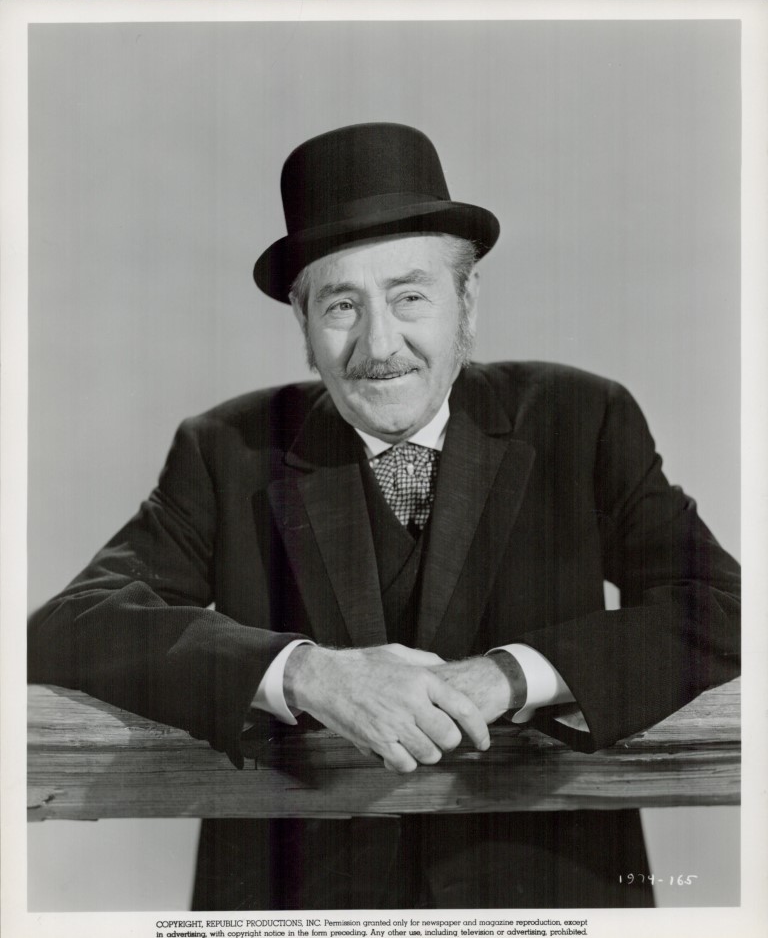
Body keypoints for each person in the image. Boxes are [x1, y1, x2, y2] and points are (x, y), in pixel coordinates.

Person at [28, 122, 740, 910]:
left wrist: (510, 674)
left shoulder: (583, 419)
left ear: (466, 302)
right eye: (341, 304)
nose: (380, 344)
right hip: (300, 909)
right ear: (303, 325)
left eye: (409, 296)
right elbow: (70, 624)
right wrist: (308, 672)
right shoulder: (225, 450)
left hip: (547, 894)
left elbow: (723, 604)